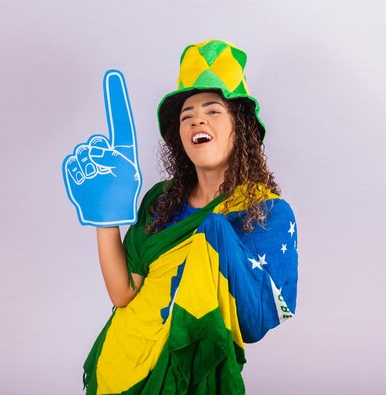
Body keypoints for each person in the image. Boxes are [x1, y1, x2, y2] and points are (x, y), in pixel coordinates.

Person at [82, 40, 299, 395]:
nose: (197, 118)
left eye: (213, 111)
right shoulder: (160, 202)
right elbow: (123, 293)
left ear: (240, 126)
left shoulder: (265, 211)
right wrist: (105, 217)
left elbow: (256, 321)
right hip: (121, 368)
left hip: (188, 377)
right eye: (187, 115)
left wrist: (215, 237)